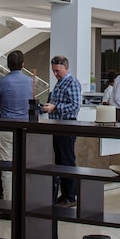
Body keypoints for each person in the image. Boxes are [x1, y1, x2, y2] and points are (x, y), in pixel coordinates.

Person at [0, 50, 33, 216]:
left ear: (8, 65)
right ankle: (24, 204)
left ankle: (8, 208)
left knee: (7, 170)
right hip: (25, 129)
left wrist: (1, 105)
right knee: (24, 167)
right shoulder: (30, 81)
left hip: (7, 128)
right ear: (23, 65)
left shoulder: (1, 82)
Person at [41, 55, 82, 207]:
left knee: (67, 160)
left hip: (67, 125)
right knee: (60, 160)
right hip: (57, 125)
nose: (55, 74)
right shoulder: (59, 83)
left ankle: (70, 196)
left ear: (66, 68)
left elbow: (75, 105)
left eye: (57, 70)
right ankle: (64, 194)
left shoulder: (72, 83)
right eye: (53, 71)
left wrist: (55, 107)